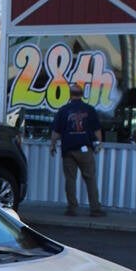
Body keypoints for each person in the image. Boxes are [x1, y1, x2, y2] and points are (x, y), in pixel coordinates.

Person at [49, 82, 106, 217]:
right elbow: (97, 129)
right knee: (90, 179)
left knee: (70, 179)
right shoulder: (90, 109)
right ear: (82, 95)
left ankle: (72, 208)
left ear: (70, 95)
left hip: (68, 150)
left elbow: (56, 131)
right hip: (85, 149)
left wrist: (52, 145)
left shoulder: (63, 110)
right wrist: (99, 144)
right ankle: (95, 209)